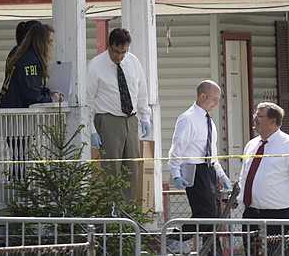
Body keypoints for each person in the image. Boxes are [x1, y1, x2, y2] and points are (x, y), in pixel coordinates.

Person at [86, 28, 152, 202]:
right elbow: (88, 101)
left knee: (132, 166)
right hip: (108, 120)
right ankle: (111, 211)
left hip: (130, 119)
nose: (120, 56)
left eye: (123, 52)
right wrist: (92, 129)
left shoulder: (133, 62)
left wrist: (145, 117)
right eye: (116, 52)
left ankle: (127, 210)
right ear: (109, 46)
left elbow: (142, 91)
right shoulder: (95, 65)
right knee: (111, 168)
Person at [167, 80, 232, 255]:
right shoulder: (188, 119)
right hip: (194, 170)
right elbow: (176, 149)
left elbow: (213, 154)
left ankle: (213, 252)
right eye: (214, 99)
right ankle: (174, 239)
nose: (216, 104)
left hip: (210, 170)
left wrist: (222, 175)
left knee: (216, 216)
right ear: (203, 96)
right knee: (207, 212)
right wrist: (175, 174)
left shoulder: (210, 122)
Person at [238, 102, 289, 255]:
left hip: (279, 217)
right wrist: (238, 198)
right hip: (251, 215)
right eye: (255, 115)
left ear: (272, 121)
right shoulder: (251, 145)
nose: (254, 119)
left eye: (259, 116)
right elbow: (244, 177)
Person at [0, 23, 61, 108]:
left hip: (6, 108)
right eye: (49, 41)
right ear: (41, 42)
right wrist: (51, 99)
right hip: (14, 112)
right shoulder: (30, 60)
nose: (51, 45)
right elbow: (31, 96)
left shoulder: (18, 52)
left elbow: (29, 86)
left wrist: (47, 92)